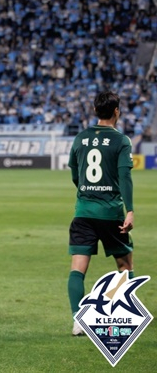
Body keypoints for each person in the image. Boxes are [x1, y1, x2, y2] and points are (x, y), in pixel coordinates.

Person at [67, 91, 135, 336]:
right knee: (125, 264)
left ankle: (78, 320)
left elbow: (75, 174)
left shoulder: (80, 138)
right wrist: (130, 210)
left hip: (83, 212)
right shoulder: (121, 141)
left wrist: (87, 192)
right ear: (117, 111)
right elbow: (125, 177)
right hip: (111, 212)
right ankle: (122, 315)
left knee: (77, 269)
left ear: (95, 111)